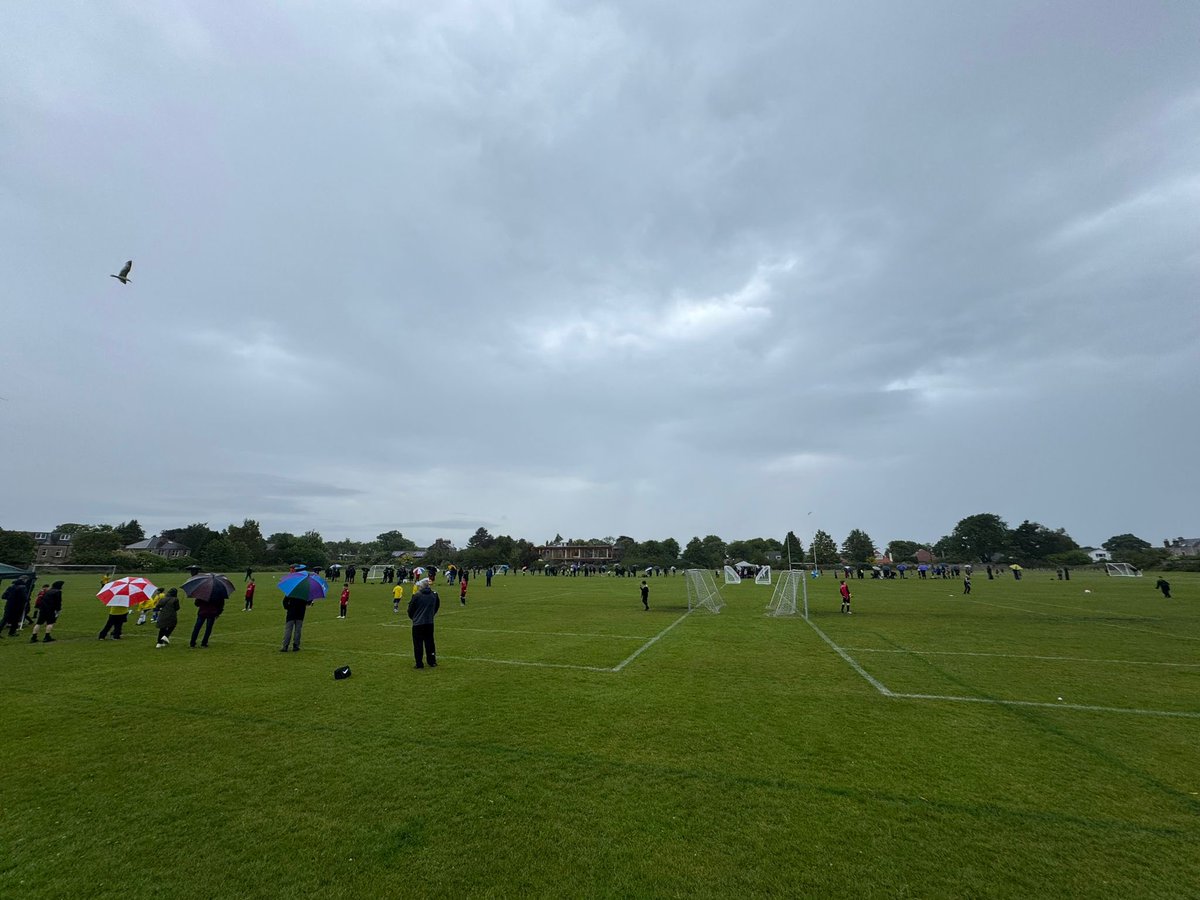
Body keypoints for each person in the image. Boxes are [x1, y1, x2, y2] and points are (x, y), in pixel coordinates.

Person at [407, 577, 440, 669]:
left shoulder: (417, 596)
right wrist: (431, 614)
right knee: (430, 642)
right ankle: (432, 661)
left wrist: (414, 617)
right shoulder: (434, 595)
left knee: (418, 643)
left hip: (418, 623)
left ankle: (419, 663)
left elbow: (410, 609)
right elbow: (437, 606)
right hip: (429, 622)